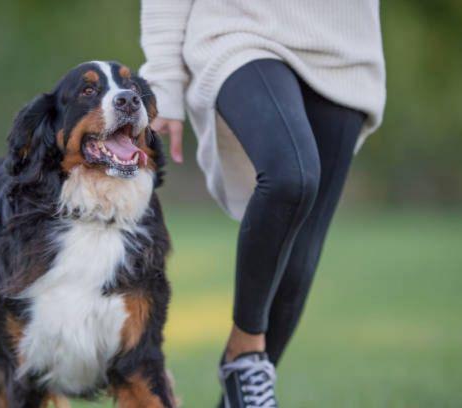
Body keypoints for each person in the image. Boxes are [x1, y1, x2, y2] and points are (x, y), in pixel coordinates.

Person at [140, 1, 386, 407]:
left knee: (301, 252)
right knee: (292, 176)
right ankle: (245, 350)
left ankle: (241, 385)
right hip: (238, 28)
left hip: (346, 50)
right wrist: (164, 79)